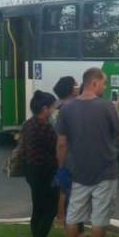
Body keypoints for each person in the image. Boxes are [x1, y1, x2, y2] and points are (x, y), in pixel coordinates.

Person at [55, 67, 119, 237]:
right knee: (99, 218)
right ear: (94, 83)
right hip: (105, 170)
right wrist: (116, 109)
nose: (105, 87)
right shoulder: (106, 107)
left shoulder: (66, 108)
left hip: (78, 170)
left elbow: (61, 143)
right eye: (103, 83)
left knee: (73, 215)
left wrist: (62, 167)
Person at [20, 90, 60, 237]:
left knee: (38, 209)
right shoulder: (45, 127)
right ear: (45, 109)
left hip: (31, 170)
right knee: (50, 210)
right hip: (46, 172)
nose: (53, 111)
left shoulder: (28, 124)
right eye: (52, 108)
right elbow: (56, 147)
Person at [51, 76, 79, 228]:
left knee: (62, 187)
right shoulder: (68, 108)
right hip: (66, 153)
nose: (78, 87)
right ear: (70, 89)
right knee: (65, 188)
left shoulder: (57, 106)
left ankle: (60, 218)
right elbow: (63, 139)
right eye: (75, 85)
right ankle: (62, 219)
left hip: (58, 151)